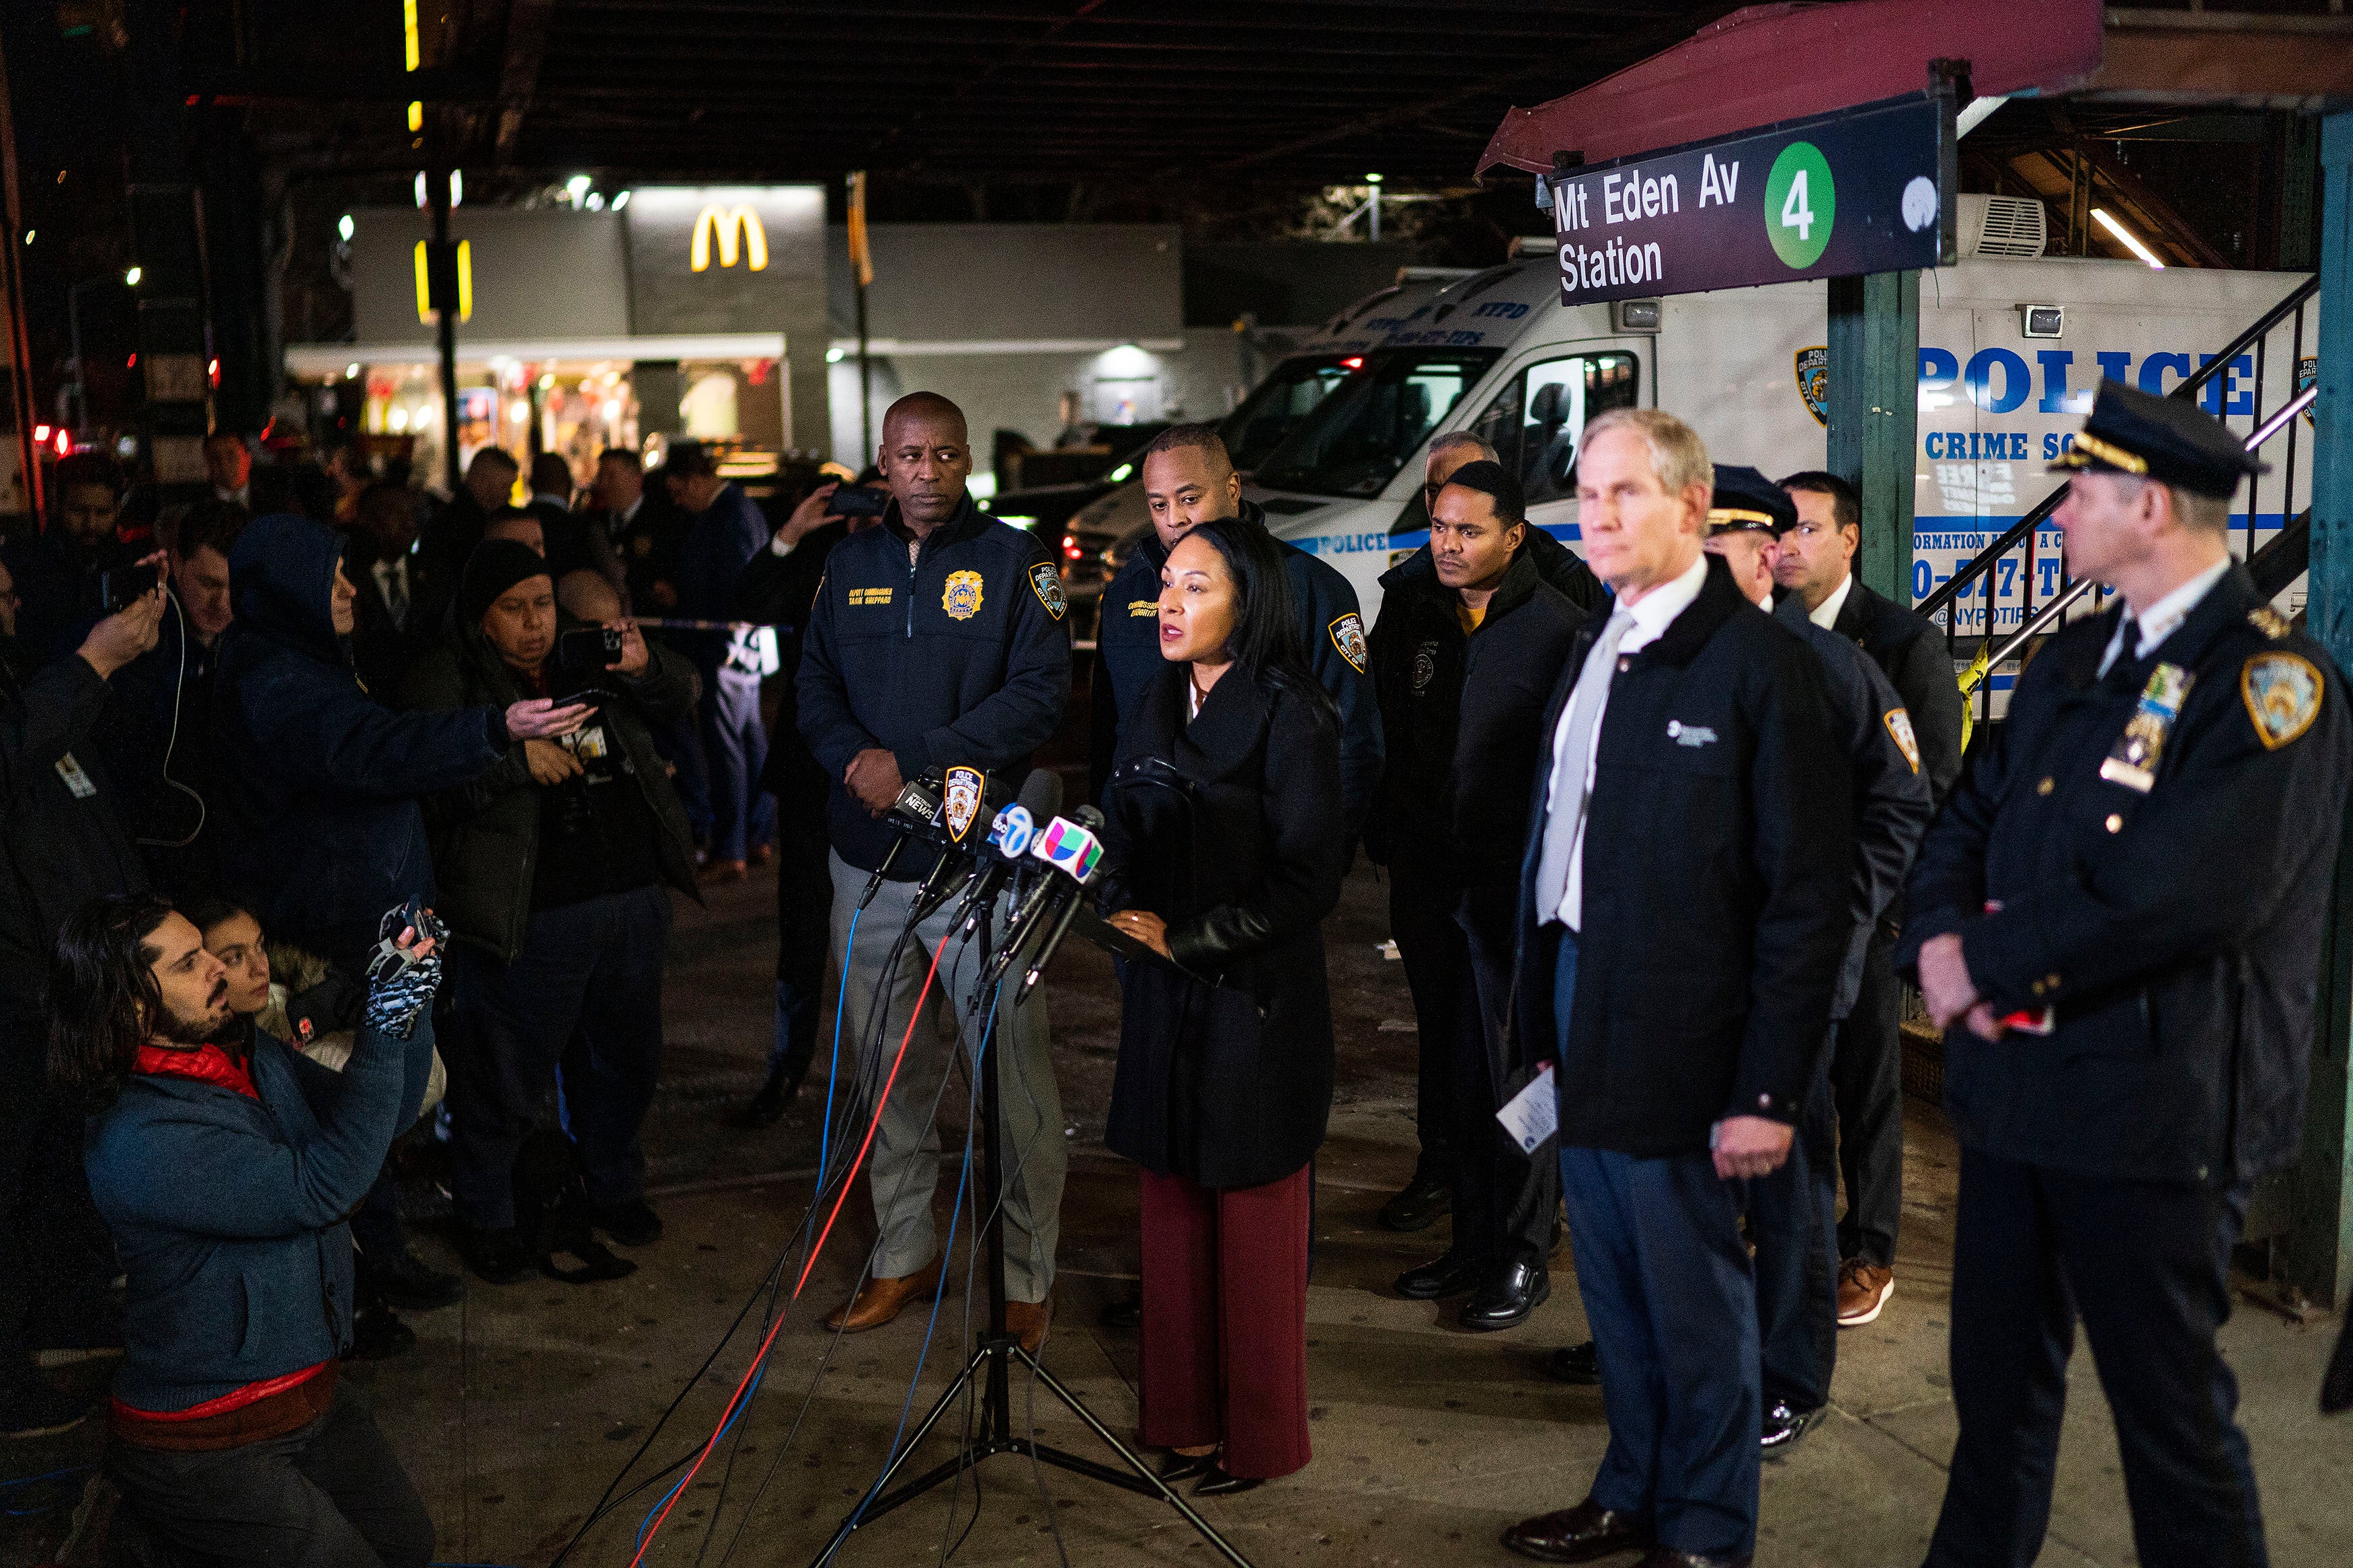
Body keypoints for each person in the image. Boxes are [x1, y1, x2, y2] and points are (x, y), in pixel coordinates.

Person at [1899, 380, 2352, 1568]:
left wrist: (1976, 960)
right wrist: (1934, 942)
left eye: (2079, 491)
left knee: (2172, 1432)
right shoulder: (2076, 659)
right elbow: (1969, 811)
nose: (2058, 516)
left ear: (2148, 505)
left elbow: (2183, 895)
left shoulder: (2273, 686)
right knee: (1993, 1407)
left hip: (2157, 1118)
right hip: (2014, 1099)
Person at [1501, 409, 1849, 1568]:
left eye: (1627, 495)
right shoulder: (1606, 641)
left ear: (1695, 509)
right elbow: (1569, 843)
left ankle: (1703, 1530)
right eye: (1589, 494)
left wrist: (1769, 1088)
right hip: (1583, 997)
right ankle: (1634, 1487)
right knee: (1610, 1275)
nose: (1598, 516)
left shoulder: (1763, 666)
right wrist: (1544, 1009)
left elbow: (1808, 898)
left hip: (1693, 1025)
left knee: (1695, 1295)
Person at [52, 893, 441, 1567]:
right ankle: (165, 1537)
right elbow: (322, 1184)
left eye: (209, 952)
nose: (218, 970)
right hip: (208, 1436)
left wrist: (409, 1001)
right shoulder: (141, 1137)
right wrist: (382, 1024)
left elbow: (386, 1112)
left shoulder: (244, 1050)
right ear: (133, 1008)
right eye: (190, 962)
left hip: (307, 1391)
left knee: (408, 1544)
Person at [796, 390, 1070, 1348]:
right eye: (909, 455)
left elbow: (1041, 694)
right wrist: (856, 763)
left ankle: (1027, 1276)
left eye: (945, 455)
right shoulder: (848, 564)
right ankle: (904, 1254)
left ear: (967, 464)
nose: (927, 471)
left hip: (979, 869)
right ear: (883, 461)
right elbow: (814, 689)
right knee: (888, 1077)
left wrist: (913, 759)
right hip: (865, 861)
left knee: (1014, 1078)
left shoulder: (1016, 562)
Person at [1100, 513, 1346, 1495]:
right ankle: (1186, 1422)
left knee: (1249, 1226)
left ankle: (1261, 1438)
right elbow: (1118, 822)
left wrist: (1190, 939)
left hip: (1253, 1001)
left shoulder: (1295, 714)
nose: (1171, 601)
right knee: (1171, 1211)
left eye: (1197, 586)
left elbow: (1308, 879)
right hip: (1163, 999)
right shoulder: (1155, 698)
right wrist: (1118, 899)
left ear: (1249, 603)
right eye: (1167, 583)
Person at [1700, 465, 1933, 1452]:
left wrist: (1841, 925)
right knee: (1699, 1187)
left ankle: (1789, 1374)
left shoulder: (1830, 667)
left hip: (1789, 983)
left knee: (1790, 1192)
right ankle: (1710, 1349)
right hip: (1692, 982)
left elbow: (1905, 801)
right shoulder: (1662, 655)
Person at [402, 542, 700, 1282]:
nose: (534, 623)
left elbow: (683, 693)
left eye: (542, 603)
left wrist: (642, 665)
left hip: (628, 889)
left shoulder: (579, 654)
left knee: (624, 1060)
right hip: (529, 909)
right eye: (514, 607)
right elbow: (420, 780)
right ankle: (489, 1212)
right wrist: (513, 762)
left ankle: (612, 1185)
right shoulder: (450, 675)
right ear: (480, 616)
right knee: (506, 1074)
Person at [1365, 460, 1583, 1331]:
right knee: (1457, 1074)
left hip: (1516, 895)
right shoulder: (1420, 615)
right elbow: (1395, 738)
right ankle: (1471, 1240)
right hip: (1431, 879)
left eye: (1469, 531)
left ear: (1514, 535)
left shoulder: (1561, 628)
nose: (1448, 546)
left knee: (1522, 1079)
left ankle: (1524, 1252)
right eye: (1440, 528)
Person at [1774, 468, 1966, 1327]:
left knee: (1866, 1083)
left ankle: (1871, 1247)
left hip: (1866, 909)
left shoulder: (1900, 641)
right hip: (1781, 908)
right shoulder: (1762, 633)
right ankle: (1795, 1234)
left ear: (1847, 539)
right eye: (1776, 532)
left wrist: (1886, 913)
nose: (1784, 546)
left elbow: (1930, 791)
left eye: (1805, 529)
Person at [0, 577, 164, 1438]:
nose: (14, 606)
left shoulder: (21, 683)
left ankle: (61, 1305)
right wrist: (94, 660)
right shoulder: (32, 701)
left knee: (55, 1160)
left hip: (43, 977)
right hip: (10, 984)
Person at [1091, 426, 1380, 826]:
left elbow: (1353, 743)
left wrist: (1321, 862)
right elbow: (1108, 732)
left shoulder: (1311, 588)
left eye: (1189, 499)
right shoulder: (1128, 591)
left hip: (1262, 851)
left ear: (1232, 488)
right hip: (1147, 847)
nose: (1175, 519)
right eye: (1158, 506)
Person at [727, 474, 868, 1126]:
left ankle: (882, 1082)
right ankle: (787, 1066)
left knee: (879, 937)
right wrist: (791, 531)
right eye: (858, 505)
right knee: (803, 927)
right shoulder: (820, 557)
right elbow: (749, 602)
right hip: (812, 775)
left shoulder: (924, 559)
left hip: (884, 777)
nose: (869, 516)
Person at [92, 499, 248, 898]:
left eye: (236, 586)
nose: (223, 603)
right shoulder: (140, 635)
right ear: (175, 564)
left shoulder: (251, 638)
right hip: (156, 845)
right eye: (209, 584)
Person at [667, 438, 775, 880]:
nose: (678, 501)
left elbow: (736, 584)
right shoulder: (741, 508)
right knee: (749, 742)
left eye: (678, 491)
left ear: (696, 480)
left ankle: (732, 848)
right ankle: (756, 835)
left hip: (726, 644)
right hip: (742, 645)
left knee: (727, 747)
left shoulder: (727, 515)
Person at [5, 451, 129, 663]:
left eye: (102, 513)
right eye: (79, 511)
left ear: (117, 510)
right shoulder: (29, 566)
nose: (90, 523)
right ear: (58, 505)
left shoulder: (127, 566)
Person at [346, 481, 443, 699]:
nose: (410, 523)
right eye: (395, 513)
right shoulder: (349, 578)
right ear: (367, 520)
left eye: (412, 512)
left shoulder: (433, 573)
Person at [419, 447, 520, 597]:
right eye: (505, 486)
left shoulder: (450, 520)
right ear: (482, 481)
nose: (509, 495)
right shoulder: (462, 528)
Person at [204, 431, 253, 508]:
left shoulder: (271, 497)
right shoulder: (198, 506)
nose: (224, 464)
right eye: (216, 457)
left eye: (231, 455)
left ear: (248, 458)